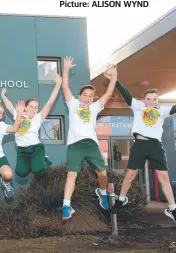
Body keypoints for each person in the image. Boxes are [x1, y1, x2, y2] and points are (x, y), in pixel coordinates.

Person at [107, 75, 176, 225]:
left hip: (155, 146)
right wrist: (115, 79)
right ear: (143, 100)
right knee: (130, 174)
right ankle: (121, 200)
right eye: (148, 98)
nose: (151, 101)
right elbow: (126, 93)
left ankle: (173, 209)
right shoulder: (138, 106)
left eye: (154, 99)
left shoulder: (163, 110)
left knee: (163, 177)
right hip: (140, 145)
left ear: (157, 100)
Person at [60, 56, 117, 221]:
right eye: (85, 95)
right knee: (72, 175)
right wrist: (66, 69)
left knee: (103, 173)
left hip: (91, 144)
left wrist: (113, 77)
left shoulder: (94, 107)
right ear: (80, 95)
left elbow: (108, 93)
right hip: (75, 145)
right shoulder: (73, 104)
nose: (88, 97)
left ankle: (103, 192)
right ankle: (66, 206)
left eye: (91, 95)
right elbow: (64, 86)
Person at [1, 74, 63, 178]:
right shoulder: (19, 114)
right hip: (22, 150)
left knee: (37, 169)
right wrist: (3, 96)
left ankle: (44, 161)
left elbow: (50, 102)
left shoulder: (38, 117)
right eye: (31, 106)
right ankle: (33, 163)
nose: (34, 109)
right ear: (25, 107)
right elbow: (9, 106)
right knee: (21, 173)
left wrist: (57, 85)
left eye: (36, 107)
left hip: (35, 148)